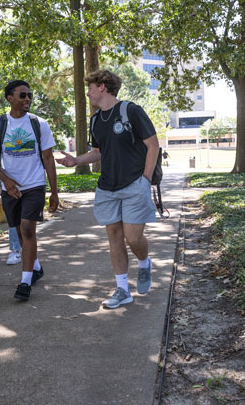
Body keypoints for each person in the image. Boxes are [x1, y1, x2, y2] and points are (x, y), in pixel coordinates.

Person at [57, 69, 158, 309]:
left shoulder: (131, 111)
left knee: (133, 238)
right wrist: (75, 161)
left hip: (134, 183)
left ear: (102, 86)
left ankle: (144, 263)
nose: (88, 93)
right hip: (107, 187)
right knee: (114, 236)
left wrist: (145, 178)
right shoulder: (95, 120)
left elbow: (153, 146)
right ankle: (123, 289)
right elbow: (98, 153)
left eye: (90, 88)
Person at [0, 80, 59, 301]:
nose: (27, 99)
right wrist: (6, 181)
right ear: (10, 98)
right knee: (18, 230)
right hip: (12, 188)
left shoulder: (39, 124)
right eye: (23, 95)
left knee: (27, 229)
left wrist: (54, 192)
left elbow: (48, 158)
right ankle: (35, 266)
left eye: (29, 96)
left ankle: (25, 282)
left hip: (34, 184)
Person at [0, 178, 22, 265]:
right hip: (8, 188)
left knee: (27, 221)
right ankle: (15, 250)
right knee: (13, 221)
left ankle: (29, 250)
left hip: (31, 187)